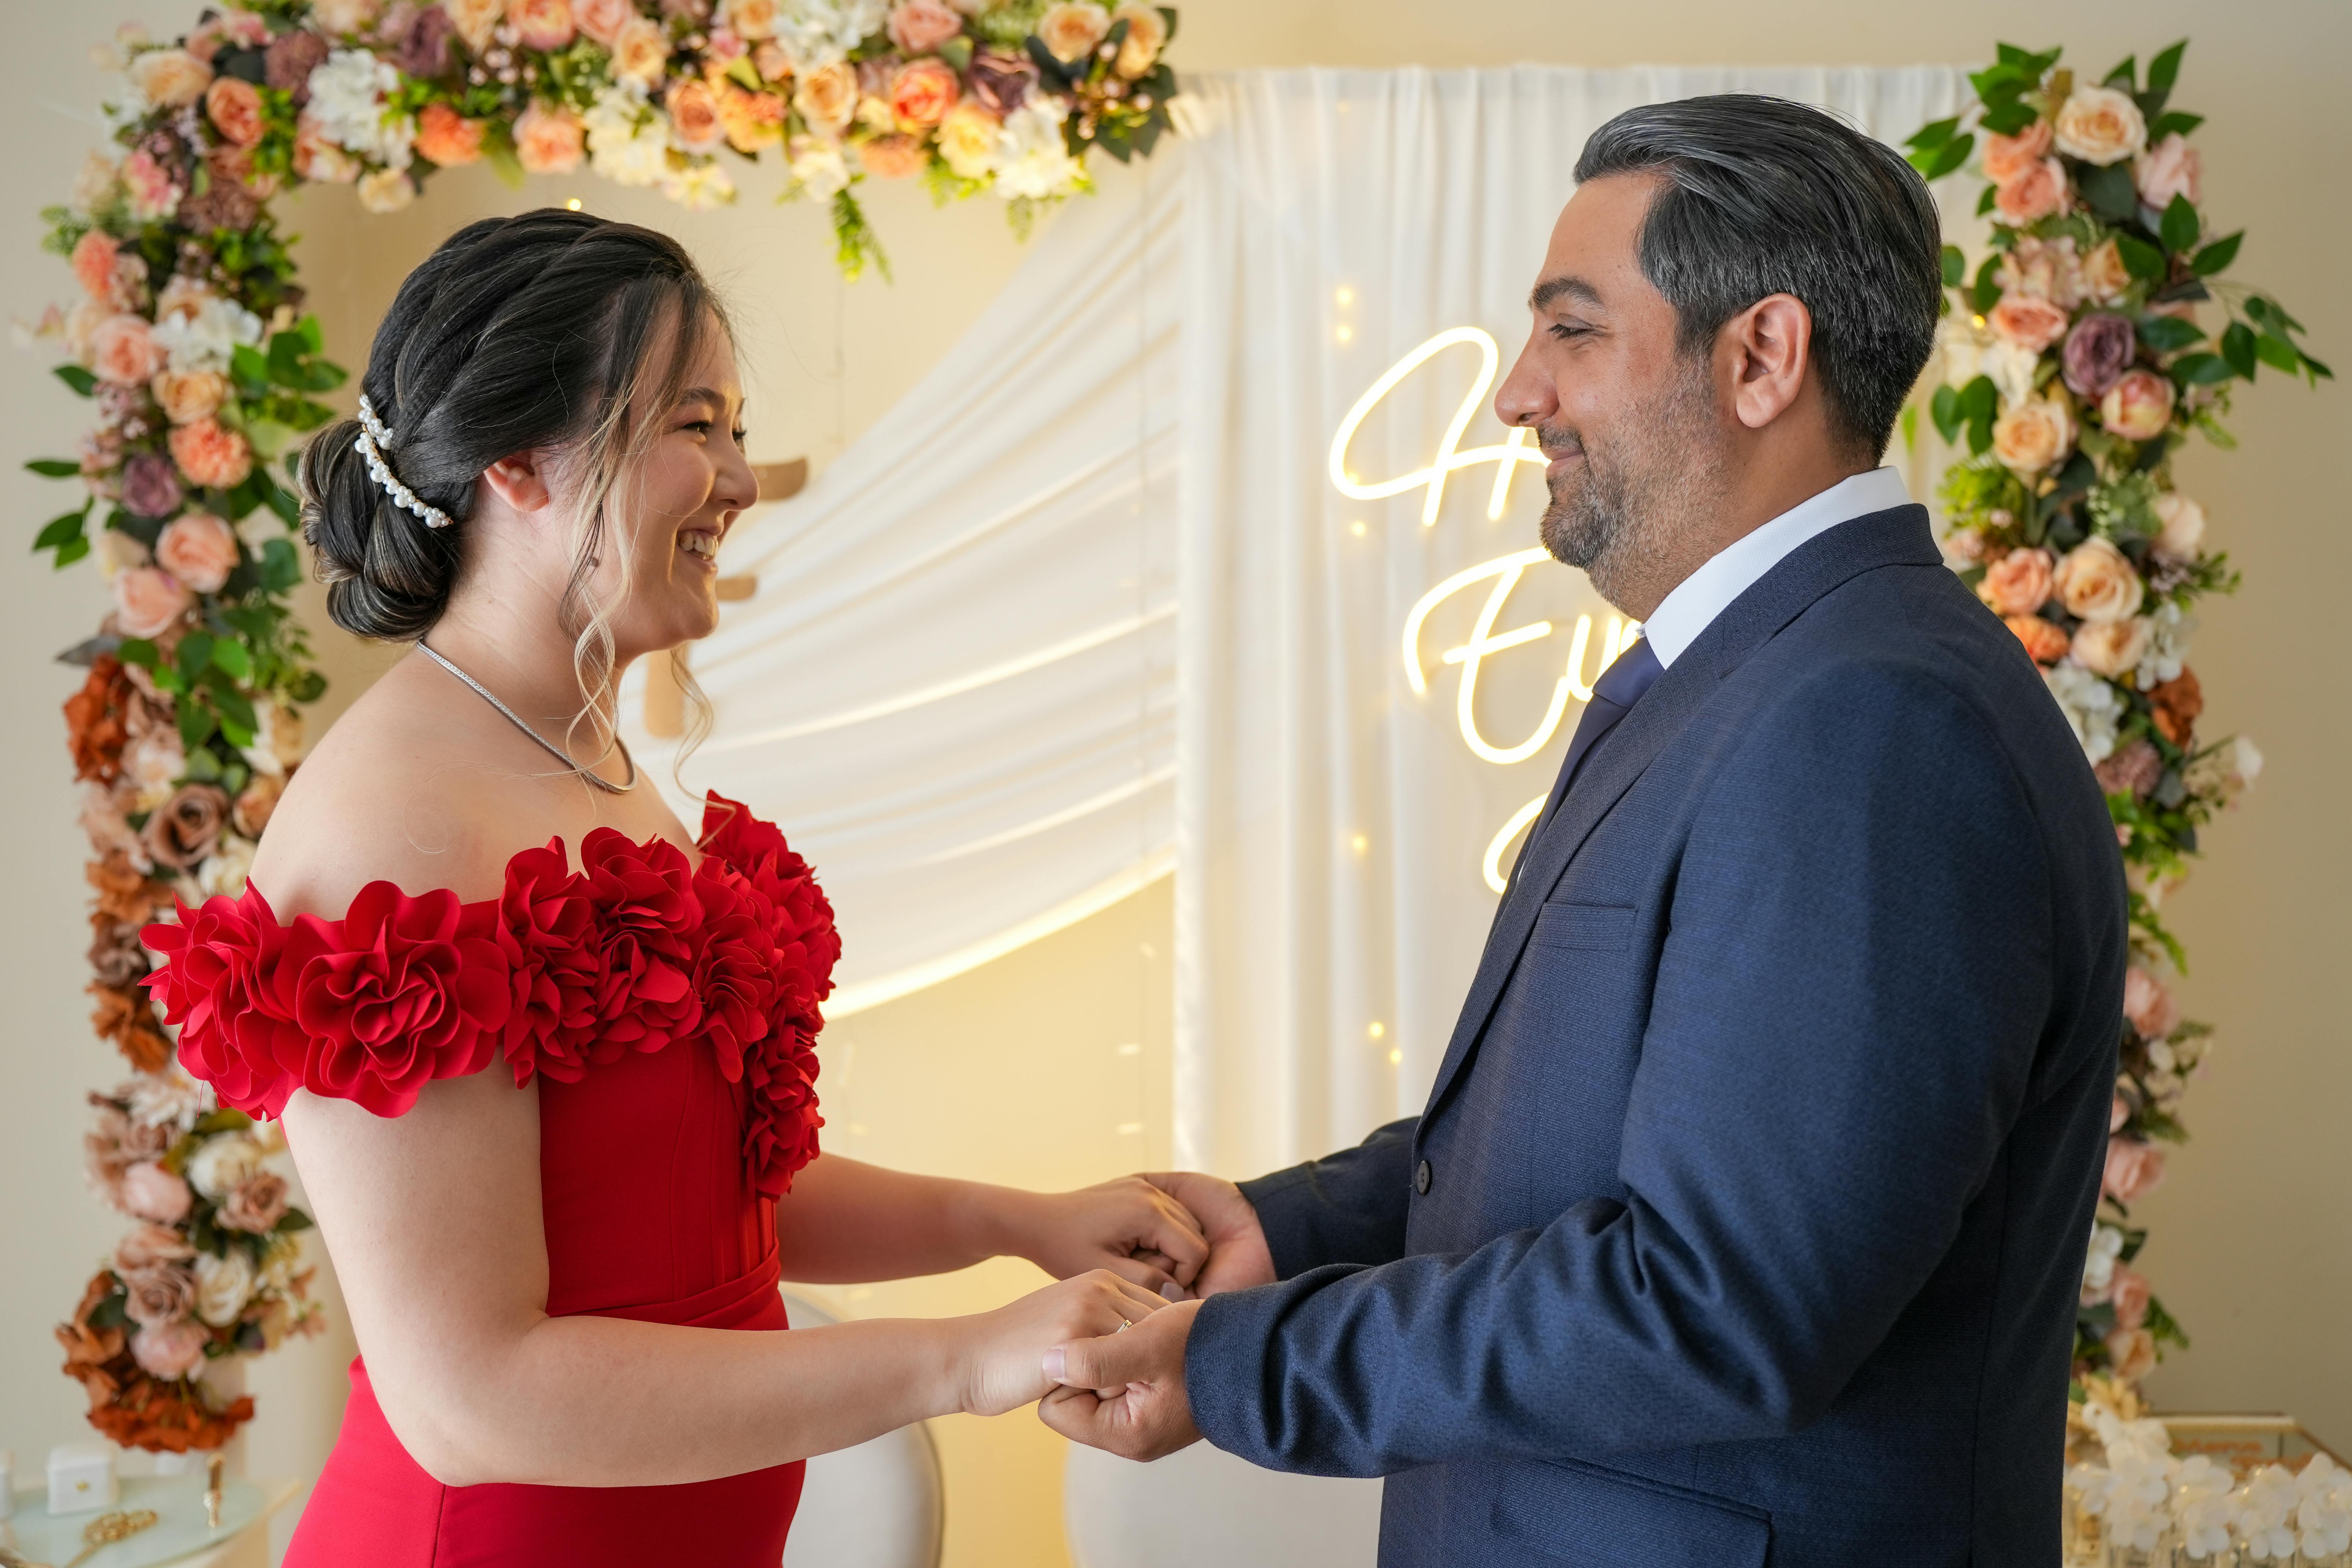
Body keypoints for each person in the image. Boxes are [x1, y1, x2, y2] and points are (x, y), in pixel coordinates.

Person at [1045, 96, 2129, 1565]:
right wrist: (1285, 1225)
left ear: (1759, 359)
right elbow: (1596, 1142)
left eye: (1571, 332)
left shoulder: (1871, 722)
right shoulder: (1748, 673)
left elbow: (1715, 1299)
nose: (1515, 394)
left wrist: (1240, 1364)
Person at [141, 210, 1199, 1567]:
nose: (742, 478)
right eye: (695, 426)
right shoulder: (391, 834)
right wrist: (956, 1361)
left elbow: (700, 1203)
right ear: (517, 459)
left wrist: (1015, 1224)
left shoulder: (582, 753)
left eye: (735, 428)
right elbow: (471, 1396)